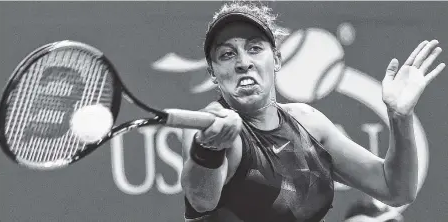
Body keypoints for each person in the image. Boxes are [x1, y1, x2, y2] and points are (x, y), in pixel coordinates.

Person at [181, 2, 445, 222]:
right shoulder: (211, 128)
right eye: (227, 54)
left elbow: (394, 189)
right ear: (213, 74)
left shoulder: (308, 123)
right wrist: (209, 148)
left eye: (254, 48)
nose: (243, 62)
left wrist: (400, 118)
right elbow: (201, 200)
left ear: (276, 59)